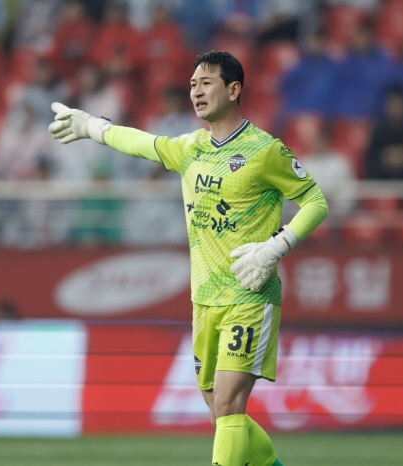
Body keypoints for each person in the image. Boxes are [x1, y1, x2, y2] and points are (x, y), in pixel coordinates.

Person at [49, 51, 328, 466]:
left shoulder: (265, 150)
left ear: (234, 90)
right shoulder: (190, 148)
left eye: (206, 83)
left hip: (249, 295)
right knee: (223, 413)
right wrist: (92, 126)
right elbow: (141, 143)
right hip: (204, 300)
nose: (195, 91)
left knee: (231, 404)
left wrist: (276, 247)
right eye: (193, 84)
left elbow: (316, 201)